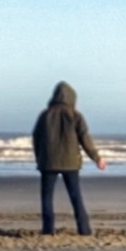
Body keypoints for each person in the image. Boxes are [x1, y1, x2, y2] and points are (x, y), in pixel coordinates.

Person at [31, 81, 106, 235]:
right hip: (70, 163)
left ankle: (47, 230)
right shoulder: (75, 116)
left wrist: (39, 157)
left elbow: (36, 138)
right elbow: (85, 139)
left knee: (47, 198)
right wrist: (97, 158)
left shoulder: (45, 115)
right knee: (75, 196)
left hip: (48, 163)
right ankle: (84, 230)